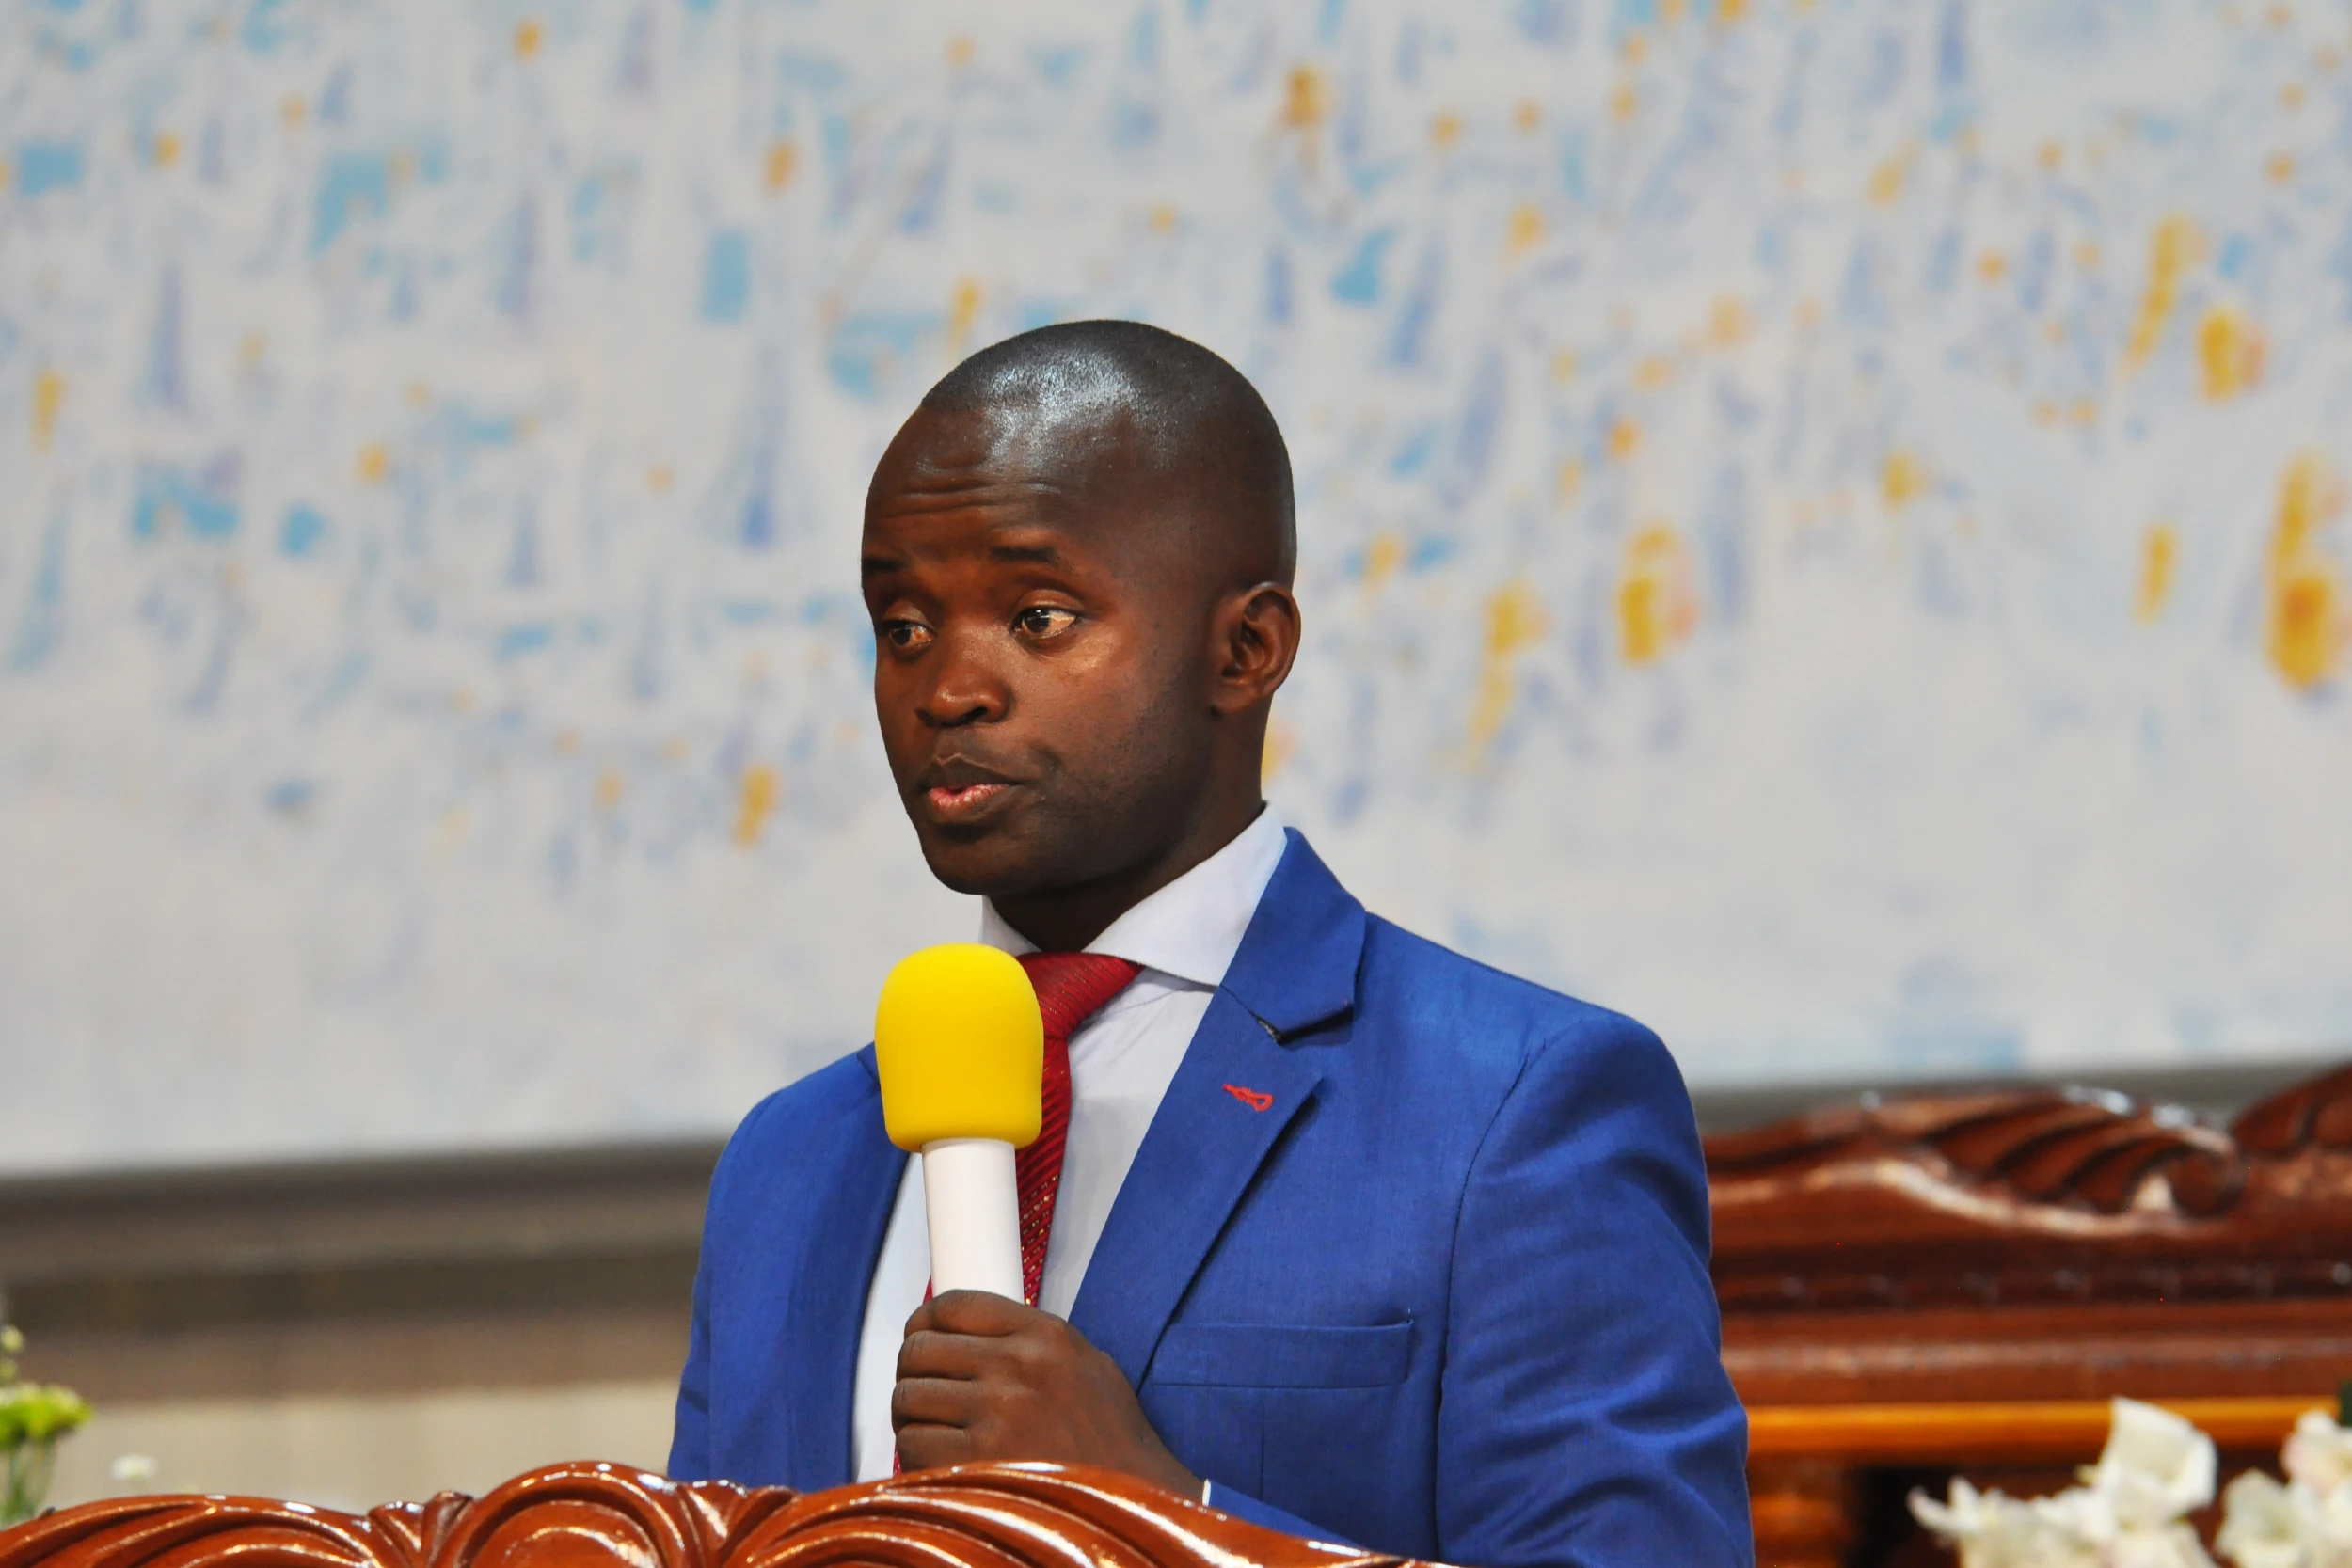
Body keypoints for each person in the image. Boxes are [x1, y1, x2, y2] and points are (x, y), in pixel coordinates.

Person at [668, 321, 1752, 1567]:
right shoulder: (788, 1162)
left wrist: (1161, 1509)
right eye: (903, 624)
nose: (948, 688)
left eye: (1036, 616)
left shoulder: (1514, 1108)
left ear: (1246, 651)